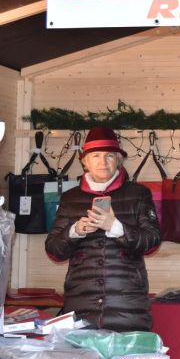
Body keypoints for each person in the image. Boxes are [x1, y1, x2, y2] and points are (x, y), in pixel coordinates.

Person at [45, 126, 161, 331]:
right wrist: (75, 231)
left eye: (109, 155)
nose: (103, 162)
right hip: (81, 305)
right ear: (85, 162)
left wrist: (115, 226)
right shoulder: (70, 198)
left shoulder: (139, 194)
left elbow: (152, 242)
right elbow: (54, 250)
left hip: (127, 306)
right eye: (96, 156)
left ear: (118, 160)